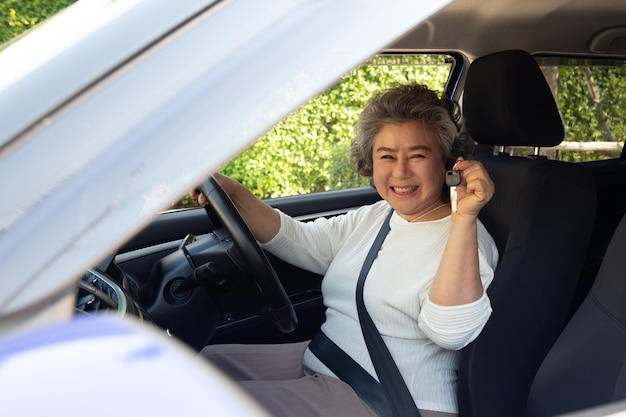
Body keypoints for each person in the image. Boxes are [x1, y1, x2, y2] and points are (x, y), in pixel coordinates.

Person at [190, 84, 498, 417]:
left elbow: (451, 332)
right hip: (326, 361)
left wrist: (464, 216)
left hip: (389, 401)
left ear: (448, 163)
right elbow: (304, 241)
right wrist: (233, 193)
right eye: (387, 156)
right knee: (192, 368)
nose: (401, 171)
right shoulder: (379, 215)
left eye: (418, 155)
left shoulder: (467, 237)